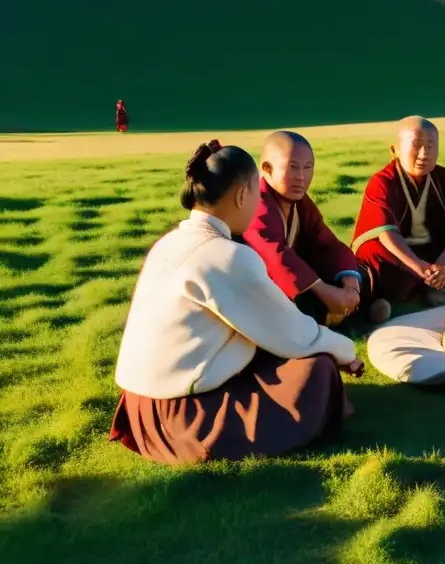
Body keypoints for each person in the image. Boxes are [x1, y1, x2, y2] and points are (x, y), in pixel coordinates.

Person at [109, 140, 364, 465]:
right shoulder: (226, 256)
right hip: (183, 418)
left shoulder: (169, 241)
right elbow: (295, 333)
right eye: (258, 195)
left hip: (138, 405)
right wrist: (344, 352)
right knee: (317, 371)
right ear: (244, 194)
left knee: (275, 357)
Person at [242, 131, 391, 327]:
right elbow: (276, 257)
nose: (301, 177)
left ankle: (344, 308)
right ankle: (339, 313)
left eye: (308, 167)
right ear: (267, 169)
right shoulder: (257, 203)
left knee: (361, 274)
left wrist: (350, 284)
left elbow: (327, 243)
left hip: (300, 279)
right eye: (293, 168)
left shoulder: (300, 202)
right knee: (296, 305)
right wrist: (325, 291)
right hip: (262, 284)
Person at [352, 116, 445, 307]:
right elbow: (385, 232)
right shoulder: (382, 182)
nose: (424, 154)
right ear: (394, 150)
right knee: (372, 249)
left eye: (431, 146)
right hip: (401, 258)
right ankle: (427, 285)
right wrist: (419, 268)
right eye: (416, 145)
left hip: (438, 251)